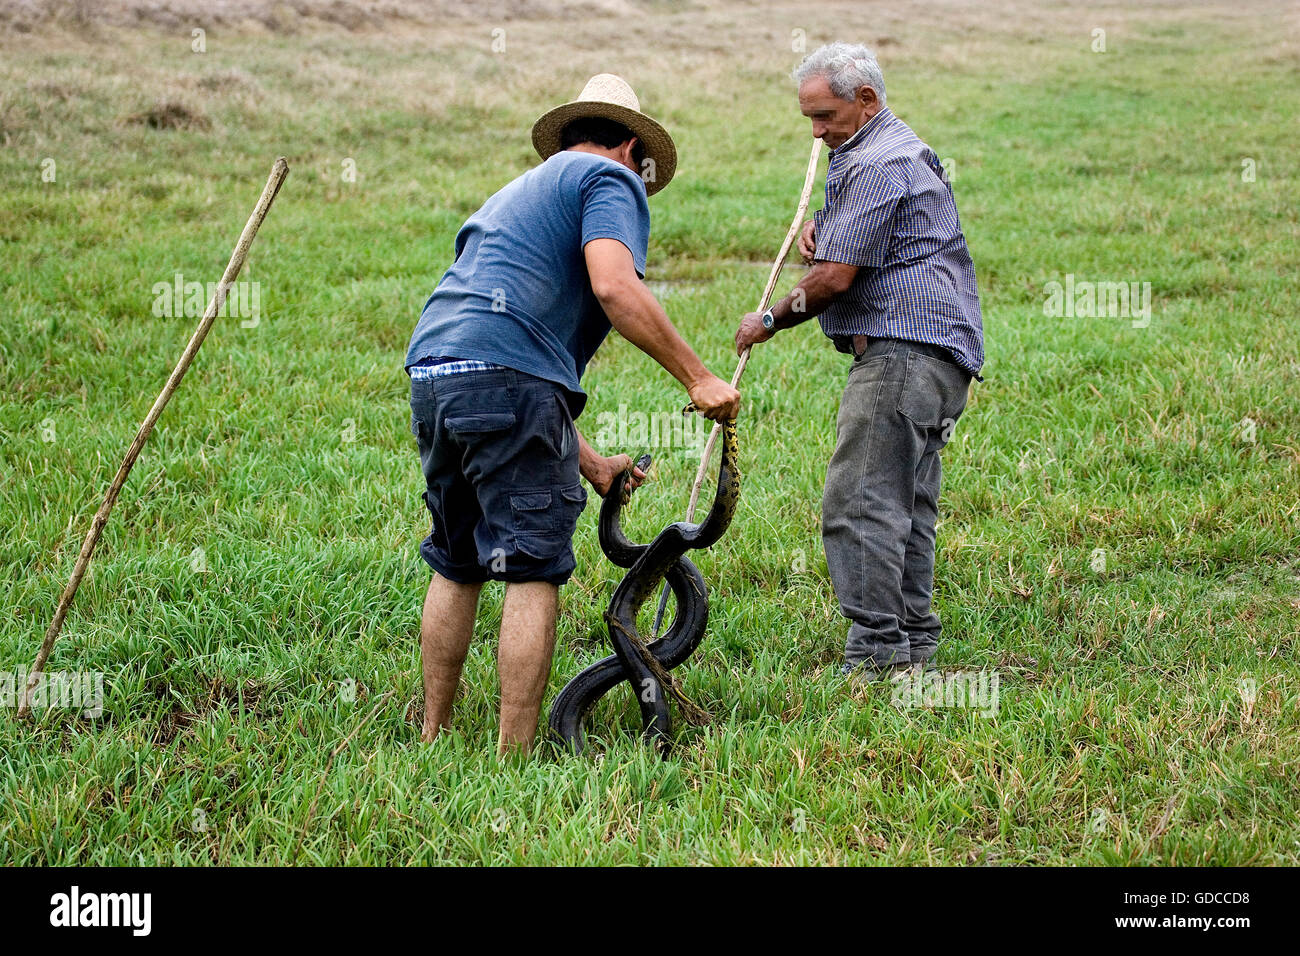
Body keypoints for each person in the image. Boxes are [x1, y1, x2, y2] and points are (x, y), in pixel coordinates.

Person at [405, 74, 741, 754]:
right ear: (626, 145)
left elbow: (508, 363)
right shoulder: (606, 180)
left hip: (434, 374)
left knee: (458, 558)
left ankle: (433, 735)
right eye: (642, 168)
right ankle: (514, 758)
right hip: (504, 381)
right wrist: (699, 377)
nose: (642, 184)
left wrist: (589, 463)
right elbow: (614, 286)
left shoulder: (515, 195)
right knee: (532, 569)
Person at [734, 44, 984, 683]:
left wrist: (767, 320)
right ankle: (912, 647)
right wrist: (831, 227)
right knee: (906, 504)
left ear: (865, 99)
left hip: (900, 356)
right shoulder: (892, 151)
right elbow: (864, 247)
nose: (816, 132)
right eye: (809, 119)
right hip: (937, 358)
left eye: (824, 116)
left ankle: (875, 658)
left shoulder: (877, 159)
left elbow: (837, 279)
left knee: (862, 503)